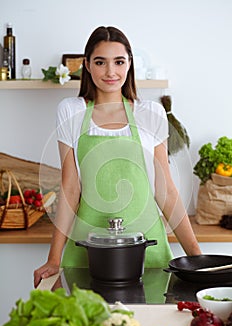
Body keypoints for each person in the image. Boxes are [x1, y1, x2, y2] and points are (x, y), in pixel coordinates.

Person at [34, 26, 201, 288]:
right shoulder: (71, 111)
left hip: (147, 248)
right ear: (87, 65)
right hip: (87, 249)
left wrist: (197, 258)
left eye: (119, 61)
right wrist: (53, 259)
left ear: (129, 64)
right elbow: (70, 188)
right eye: (100, 62)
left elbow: (165, 189)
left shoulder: (151, 113)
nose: (111, 72)